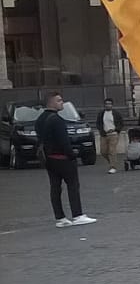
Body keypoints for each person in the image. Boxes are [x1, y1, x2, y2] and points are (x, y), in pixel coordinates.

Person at [37, 93, 95, 228]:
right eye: (59, 100)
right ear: (51, 102)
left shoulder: (40, 119)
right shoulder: (57, 120)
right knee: (73, 186)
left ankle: (60, 218)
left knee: (55, 188)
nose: (62, 102)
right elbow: (64, 142)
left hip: (48, 159)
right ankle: (77, 215)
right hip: (62, 158)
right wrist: (72, 155)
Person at [95, 98, 124, 173]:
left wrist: (116, 130)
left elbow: (121, 123)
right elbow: (98, 123)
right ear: (104, 105)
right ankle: (112, 162)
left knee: (112, 150)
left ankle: (113, 166)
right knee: (103, 151)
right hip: (104, 134)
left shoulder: (116, 113)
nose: (108, 105)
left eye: (109, 104)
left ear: (112, 105)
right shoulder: (101, 114)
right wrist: (101, 130)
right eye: (106, 104)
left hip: (113, 134)